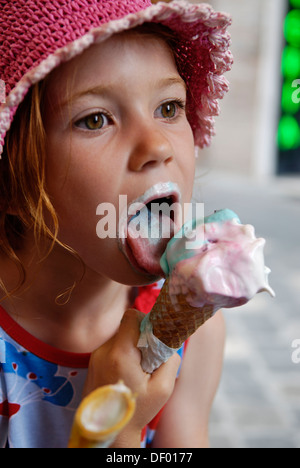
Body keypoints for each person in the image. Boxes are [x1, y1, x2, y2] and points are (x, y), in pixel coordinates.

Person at [0, 0, 233, 448]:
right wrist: (120, 427)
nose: (156, 145)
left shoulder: (196, 334)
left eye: (168, 108)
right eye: (95, 119)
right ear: (11, 185)